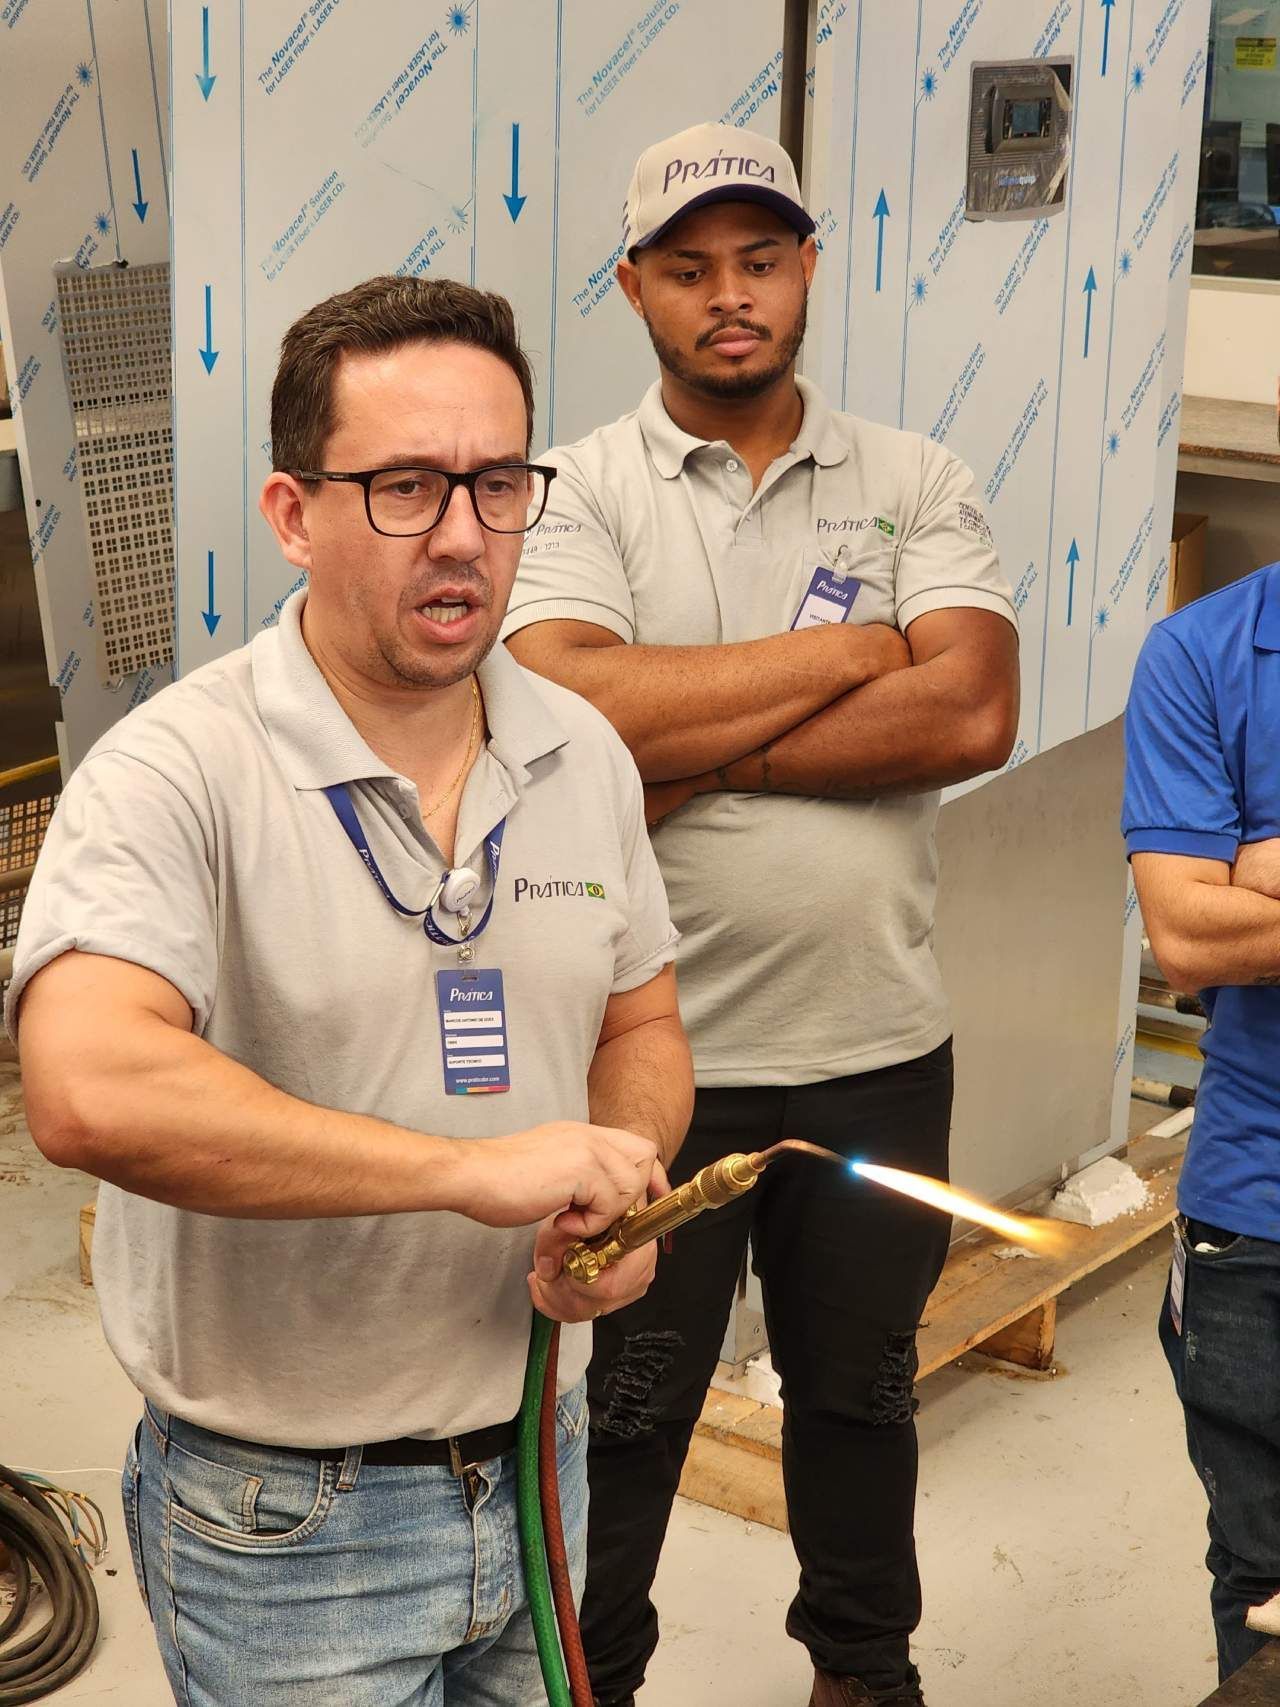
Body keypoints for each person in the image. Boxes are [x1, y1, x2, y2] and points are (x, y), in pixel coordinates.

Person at [7, 275, 694, 1706]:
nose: (462, 533)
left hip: (536, 1456)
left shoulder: (582, 751)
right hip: (288, 1523)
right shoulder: (175, 772)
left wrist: (627, 1193)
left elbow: (639, 1019)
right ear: (291, 511)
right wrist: (465, 1171)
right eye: (404, 486)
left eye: (499, 483)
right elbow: (88, 1086)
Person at [504, 123, 1020, 1707]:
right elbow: (571, 708)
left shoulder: (913, 474)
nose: (731, 295)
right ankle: (600, 1679)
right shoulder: (575, 490)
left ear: (806, 266)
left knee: (861, 1393)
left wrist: (686, 742)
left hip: (878, 1045)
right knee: (637, 1403)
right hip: (657, 1057)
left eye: (761, 258)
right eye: (689, 267)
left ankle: (864, 1676)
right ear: (635, 288)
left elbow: (973, 713)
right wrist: (854, 651)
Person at [1124, 561, 1280, 1686]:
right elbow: (1185, 937)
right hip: (1255, 1214)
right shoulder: (1200, 655)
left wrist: (1259, 868)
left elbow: (1224, 906)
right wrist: (1218, 894)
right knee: (1263, 1580)